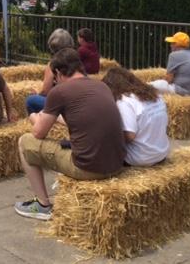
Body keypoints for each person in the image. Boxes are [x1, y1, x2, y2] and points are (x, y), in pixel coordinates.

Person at [14, 48, 126, 220]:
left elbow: (38, 133)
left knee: (24, 141)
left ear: (57, 73)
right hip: (116, 164)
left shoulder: (59, 91)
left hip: (88, 168)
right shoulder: (101, 85)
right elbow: (85, 120)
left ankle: (42, 205)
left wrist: (34, 117)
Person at [102, 67, 170, 167]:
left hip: (139, 158)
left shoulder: (125, 101)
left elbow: (130, 136)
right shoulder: (155, 95)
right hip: (162, 153)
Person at [25, 29, 74, 115]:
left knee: (30, 100)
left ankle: (41, 121)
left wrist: (37, 94)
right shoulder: (76, 62)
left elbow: (46, 92)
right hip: (76, 103)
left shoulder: (52, 64)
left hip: (60, 105)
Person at [150, 32, 190, 96]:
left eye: (172, 43)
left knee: (151, 86)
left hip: (183, 91)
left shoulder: (174, 55)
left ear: (177, 44)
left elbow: (168, 80)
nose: (170, 45)